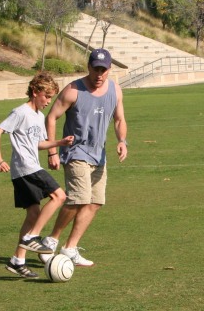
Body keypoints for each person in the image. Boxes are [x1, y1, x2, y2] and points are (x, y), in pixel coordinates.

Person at [44, 48, 128, 267]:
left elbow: (119, 119)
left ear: (109, 69)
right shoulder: (73, 90)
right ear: (88, 67)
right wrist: (52, 151)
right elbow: (51, 117)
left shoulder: (116, 90)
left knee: (95, 202)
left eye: (104, 69)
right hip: (75, 151)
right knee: (79, 197)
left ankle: (70, 248)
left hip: (98, 154)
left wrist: (122, 141)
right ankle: (51, 240)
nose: (99, 74)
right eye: (95, 68)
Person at [0, 71, 74, 278]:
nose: (48, 101)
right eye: (46, 96)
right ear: (35, 91)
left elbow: (38, 144)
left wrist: (59, 143)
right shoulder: (21, 112)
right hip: (25, 169)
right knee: (59, 196)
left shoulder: (38, 116)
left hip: (30, 167)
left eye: (51, 97)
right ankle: (33, 237)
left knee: (34, 213)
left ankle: (17, 261)